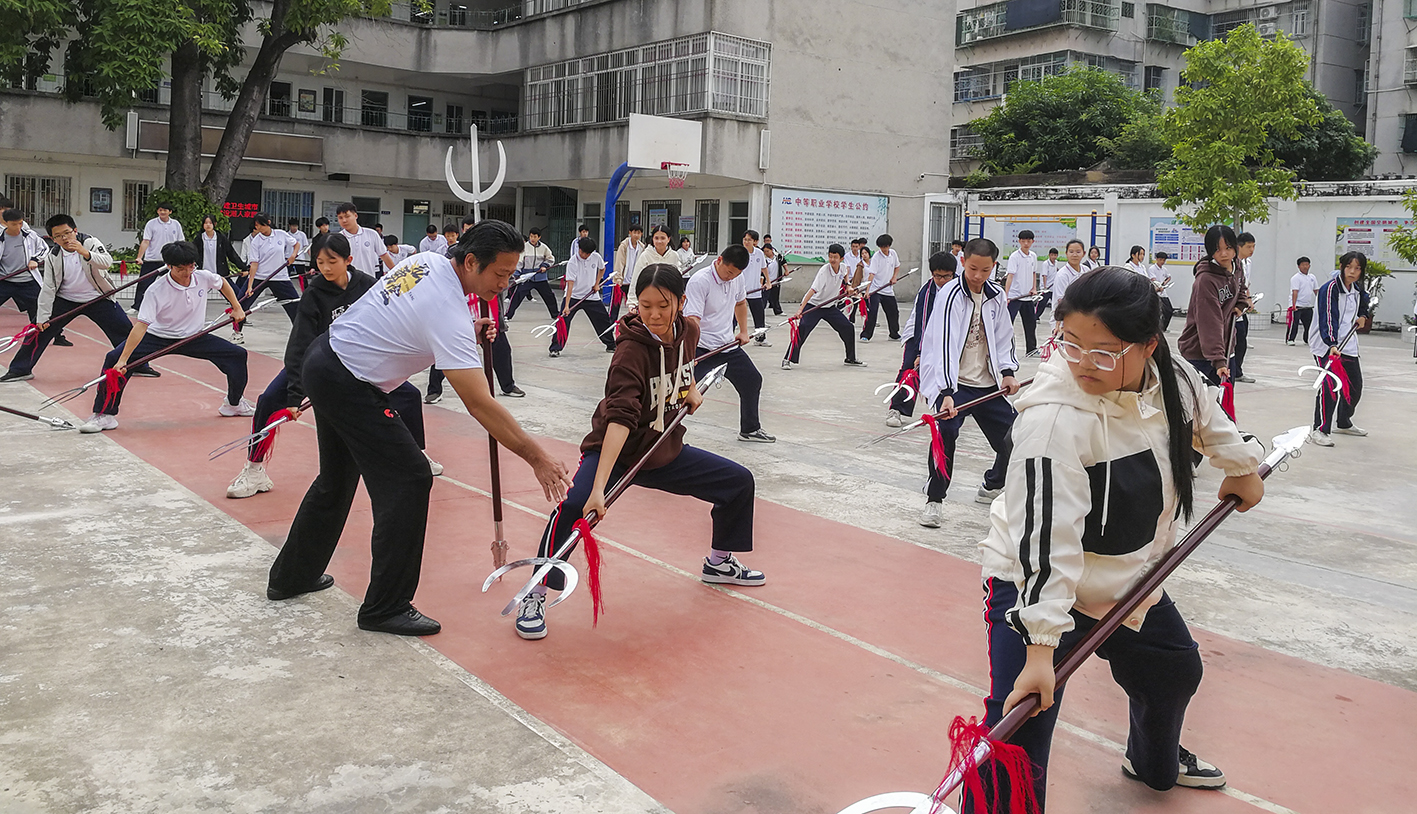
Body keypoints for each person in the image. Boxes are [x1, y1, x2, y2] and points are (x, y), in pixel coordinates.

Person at [973, 266, 1263, 811]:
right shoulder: (1053, 422)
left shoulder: (1171, 377)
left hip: (1128, 579)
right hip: (1035, 587)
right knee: (1020, 726)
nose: (1083, 364)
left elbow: (1208, 421)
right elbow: (1045, 542)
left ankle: (1152, 757)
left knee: (1174, 668)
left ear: (1148, 346)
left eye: (1104, 351)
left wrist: (1241, 464)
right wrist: (1040, 648)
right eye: (1071, 344)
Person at [267, 220, 572, 636]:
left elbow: (413, 317)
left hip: (327, 359)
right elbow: (479, 402)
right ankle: (385, 606)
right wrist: (536, 457)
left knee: (336, 481)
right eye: (499, 274)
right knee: (410, 480)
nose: (504, 284)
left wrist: (466, 331)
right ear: (470, 261)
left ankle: (292, 576)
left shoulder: (428, 261)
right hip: (349, 382)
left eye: (510, 275)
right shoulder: (446, 308)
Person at [514, 264, 764, 639]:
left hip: (663, 449)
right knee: (572, 508)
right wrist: (598, 488)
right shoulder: (630, 349)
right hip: (616, 452)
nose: (654, 315)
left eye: (663, 305)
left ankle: (719, 561)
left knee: (738, 482)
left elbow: (682, 367)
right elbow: (620, 419)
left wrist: (689, 388)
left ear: (680, 302)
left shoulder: (688, 330)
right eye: (645, 305)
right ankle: (534, 591)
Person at [227, 234, 439, 499]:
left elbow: (400, 313)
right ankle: (254, 469)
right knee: (270, 400)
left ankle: (416, 455)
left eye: (332, 261)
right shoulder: (314, 294)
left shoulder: (368, 285)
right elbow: (300, 344)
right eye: (320, 262)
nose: (326, 268)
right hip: (321, 363)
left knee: (408, 395)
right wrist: (295, 394)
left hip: (363, 363)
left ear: (348, 260)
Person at [79, 241, 253, 433]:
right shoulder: (156, 290)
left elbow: (222, 283)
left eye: (191, 266)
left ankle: (233, 404)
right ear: (169, 266)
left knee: (237, 355)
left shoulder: (202, 277)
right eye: (181, 269)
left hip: (193, 336)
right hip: (158, 336)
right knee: (113, 360)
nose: (187, 273)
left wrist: (237, 307)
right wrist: (123, 360)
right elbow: (141, 326)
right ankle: (104, 415)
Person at [917, 237, 1019, 528]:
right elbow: (946, 344)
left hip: (986, 383)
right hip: (953, 383)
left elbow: (1004, 336)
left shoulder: (997, 295)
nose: (978, 276)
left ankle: (992, 484)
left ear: (993, 267)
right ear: (963, 262)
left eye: (985, 270)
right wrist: (947, 391)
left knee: (1015, 437)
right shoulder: (949, 293)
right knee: (945, 434)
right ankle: (934, 500)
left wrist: (1008, 371)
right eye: (973, 268)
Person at [2, 214, 158, 382]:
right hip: (65, 299)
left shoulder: (90, 242)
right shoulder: (53, 256)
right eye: (58, 236)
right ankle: (20, 369)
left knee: (125, 330)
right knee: (37, 331)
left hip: (98, 298)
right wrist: (42, 317)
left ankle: (138, 365)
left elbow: (106, 262)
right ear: (53, 239)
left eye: (67, 233)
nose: (64, 238)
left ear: (75, 231)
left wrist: (84, 252)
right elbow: (48, 288)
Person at [686, 245, 775, 443]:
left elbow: (740, 303)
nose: (730, 277)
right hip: (701, 347)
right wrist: (688, 354)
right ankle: (662, 431)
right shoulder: (700, 281)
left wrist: (743, 331)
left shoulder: (737, 278)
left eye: (735, 274)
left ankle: (750, 429)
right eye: (728, 272)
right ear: (719, 260)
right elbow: (692, 321)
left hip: (727, 346)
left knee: (752, 380)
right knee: (681, 389)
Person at [885, 251, 955, 427]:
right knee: (910, 369)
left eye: (946, 276)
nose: (942, 280)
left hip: (949, 335)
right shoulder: (928, 292)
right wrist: (920, 352)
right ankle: (897, 408)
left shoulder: (960, 288)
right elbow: (922, 324)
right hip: (919, 335)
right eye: (938, 276)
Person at [1309, 252, 1370, 447]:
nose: (1353, 272)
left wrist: (1362, 315)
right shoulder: (1330, 289)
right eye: (1349, 267)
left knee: (1355, 386)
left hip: (1348, 343)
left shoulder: (1357, 289)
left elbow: (1365, 300)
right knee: (1331, 386)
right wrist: (1331, 343)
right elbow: (1328, 317)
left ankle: (1343, 422)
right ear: (1342, 267)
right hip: (1326, 345)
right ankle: (1320, 429)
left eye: (1357, 268)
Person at [1178, 225, 1245, 389]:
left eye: (1228, 248)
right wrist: (1218, 360)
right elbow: (1210, 323)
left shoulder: (1236, 266)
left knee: (1224, 406)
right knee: (1204, 409)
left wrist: (1241, 304)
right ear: (1210, 251)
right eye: (1217, 249)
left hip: (1226, 349)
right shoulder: (1205, 280)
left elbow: (1241, 286)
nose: (1224, 254)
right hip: (1201, 354)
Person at [782, 243, 864, 370]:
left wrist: (848, 285)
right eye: (830, 256)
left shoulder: (843, 267)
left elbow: (845, 274)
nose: (832, 260)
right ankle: (787, 359)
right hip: (814, 305)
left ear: (841, 258)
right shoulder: (824, 272)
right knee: (803, 328)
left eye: (835, 257)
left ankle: (850, 358)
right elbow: (811, 291)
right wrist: (800, 309)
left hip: (829, 306)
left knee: (848, 327)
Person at [231, 213, 300, 345]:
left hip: (280, 277)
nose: (258, 228)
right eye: (256, 226)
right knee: (241, 303)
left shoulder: (280, 234)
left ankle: (300, 335)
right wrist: (250, 286)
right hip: (260, 277)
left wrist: (293, 256)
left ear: (268, 222)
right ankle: (237, 333)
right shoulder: (256, 241)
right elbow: (254, 264)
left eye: (260, 225)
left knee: (294, 305)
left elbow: (296, 244)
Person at [549, 237, 616, 357]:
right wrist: (567, 305)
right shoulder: (573, 262)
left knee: (603, 320)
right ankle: (555, 348)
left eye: (587, 253)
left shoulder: (596, 257)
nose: (584, 255)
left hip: (591, 296)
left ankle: (611, 344)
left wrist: (596, 284)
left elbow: (602, 268)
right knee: (563, 321)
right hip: (574, 296)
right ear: (579, 249)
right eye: (582, 252)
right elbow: (570, 285)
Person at [132, 201, 185, 311]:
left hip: (170, 260)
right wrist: (139, 257)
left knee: (176, 282)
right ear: (157, 211)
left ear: (170, 212)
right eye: (160, 210)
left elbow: (181, 241)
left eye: (165, 210)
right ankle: (137, 306)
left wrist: (182, 257)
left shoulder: (176, 224)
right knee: (143, 283)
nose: (162, 212)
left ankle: (180, 304)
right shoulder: (151, 224)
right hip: (152, 259)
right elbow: (146, 241)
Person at [0, 207, 46, 325]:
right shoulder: (1, 238)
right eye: (14, 224)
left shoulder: (30, 235)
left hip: (27, 281)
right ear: (5, 223)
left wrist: (35, 259)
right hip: (5, 280)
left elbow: (44, 249)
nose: (18, 227)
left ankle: (57, 336)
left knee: (40, 311)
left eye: (20, 223)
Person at [506, 227, 558, 320]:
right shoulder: (524, 247)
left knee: (549, 296)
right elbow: (519, 261)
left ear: (539, 237)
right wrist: (517, 274)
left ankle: (555, 315)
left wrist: (544, 265)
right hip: (527, 278)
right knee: (517, 296)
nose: (532, 239)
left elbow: (550, 258)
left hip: (540, 278)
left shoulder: (544, 248)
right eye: (531, 236)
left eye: (534, 236)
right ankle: (508, 315)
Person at [859, 234, 903, 342]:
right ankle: (866, 335)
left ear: (889, 245)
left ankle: (894, 333)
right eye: (882, 247)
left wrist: (894, 277)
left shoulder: (893, 254)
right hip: (875, 289)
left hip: (887, 289)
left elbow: (897, 266)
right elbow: (871, 275)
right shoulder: (876, 258)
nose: (884, 249)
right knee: (872, 312)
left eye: (886, 246)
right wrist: (868, 291)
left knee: (893, 312)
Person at [1004, 230, 1039, 355]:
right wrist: (1006, 295)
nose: (1026, 243)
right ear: (1019, 241)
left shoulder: (1033, 256)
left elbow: (1034, 273)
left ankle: (1031, 349)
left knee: (1031, 324)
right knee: (1008, 324)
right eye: (1023, 241)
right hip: (1015, 296)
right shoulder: (1015, 256)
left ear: (1032, 242)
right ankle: (1004, 349)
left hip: (1028, 296)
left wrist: (1034, 288)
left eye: (1028, 241)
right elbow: (1010, 276)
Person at [335, 202, 393, 278]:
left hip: (369, 281)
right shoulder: (338, 238)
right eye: (340, 218)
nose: (344, 220)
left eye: (347, 216)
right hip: (348, 283)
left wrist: (396, 273)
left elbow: (384, 255)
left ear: (355, 216)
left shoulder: (372, 234)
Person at [1229, 233, 1257, 383]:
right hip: (1232, 309)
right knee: (1236, 340)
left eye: (1253, 246)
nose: (1251, 250)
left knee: (1242, 339)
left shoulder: (1248, 263)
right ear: (1239, 247)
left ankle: (1237, 371)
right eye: (1248, 247)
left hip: (1241, 306)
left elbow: (1245, 285)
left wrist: (1249, 299)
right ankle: (1233, 371)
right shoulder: (1231, 263)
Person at [740, 230, 772, 346]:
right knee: (733, 317)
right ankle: (728, 339)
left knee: (759, 316)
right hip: (740, 291)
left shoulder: (759, 253)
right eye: (745, 239)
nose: (746, 242)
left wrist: (768, 282)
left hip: (755, 291)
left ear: (755, 241)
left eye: (749, 240)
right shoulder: (740, 253)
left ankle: (760, 338)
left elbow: (764, 268)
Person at [1050, 239, 1087, 335]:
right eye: (1071, 252)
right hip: (1064, 322)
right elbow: (1061, 302)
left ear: (1084, 253)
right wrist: (1058, 324)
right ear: (1066, 253)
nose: (1074, 255)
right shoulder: (1062, 275)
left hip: (1081, 319)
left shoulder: (1086, 271)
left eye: (1078, 252)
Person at [197, 215, 247, 279]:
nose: (208, 225)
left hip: (220, 274)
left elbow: (231, 254)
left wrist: (243, 267)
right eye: (206, 223)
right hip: (203, 274)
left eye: (210, 223)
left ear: (215, 224)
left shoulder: (221, 238)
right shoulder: (199, 239)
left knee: (233, 289)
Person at [611, 225, 644, 320]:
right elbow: (619, 262)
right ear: (630, 233)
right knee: (615, 306)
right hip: (622, 281)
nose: (636, 235)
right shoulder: (624, 246)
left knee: (634, 305)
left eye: (639, 233)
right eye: (635, 232)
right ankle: (611, 325)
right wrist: (618, 278)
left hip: (634, 282)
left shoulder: (642, 247)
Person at [1288, 256, 1317, 345]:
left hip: (1308, 305)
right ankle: (1290, 339)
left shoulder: (1312, 277)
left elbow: (1316, 290)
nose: (1305, 266)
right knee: (1294, 324)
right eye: (1303, 265)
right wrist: (1293, 305)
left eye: (1307, 264)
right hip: (1297, 305)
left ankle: (1307, 339)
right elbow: (1295, 292)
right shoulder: (1296, 278)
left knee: (1309, 324)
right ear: (1299, 266)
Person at [1147, 251, 1174, 332]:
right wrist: (1159, 286)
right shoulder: (1152, 268)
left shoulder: (1164, 269)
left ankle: (1163, 328)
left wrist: (1165, 283)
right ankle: (1155, 328)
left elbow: (1169, 277)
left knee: (1169, 310)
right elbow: (1153, 279)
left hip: (1163, 292)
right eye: (1161, 259)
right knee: (1155, 312)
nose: (1162, 262)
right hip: (1156, 292)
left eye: (1164, 260)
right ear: (1157, 259)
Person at [1036, 247, 1061, 320]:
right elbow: (1044, 275)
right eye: (1052, 255)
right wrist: (1044, 286)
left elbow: (1056, 270)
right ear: (1049, 255)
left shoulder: (1056, 263)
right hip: (1046, 288)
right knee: (1042, 303)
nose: (1054, 257)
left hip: (1053, 287)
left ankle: (1056, 317)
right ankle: (1036, 316)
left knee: (1056, 303)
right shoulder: (1046, 264)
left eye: (1055, 255)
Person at [763, 243, 786, 315]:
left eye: (767, 251)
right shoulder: (764, 260)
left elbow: (784, 262)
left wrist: (786, 270)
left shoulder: (777, 257)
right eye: (765, 251)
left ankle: (778, 311)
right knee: (764, 298)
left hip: (776, 281)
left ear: (771, 250)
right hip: (767, 282)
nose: (766, 253)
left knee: (775, 298)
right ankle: (760, 311)